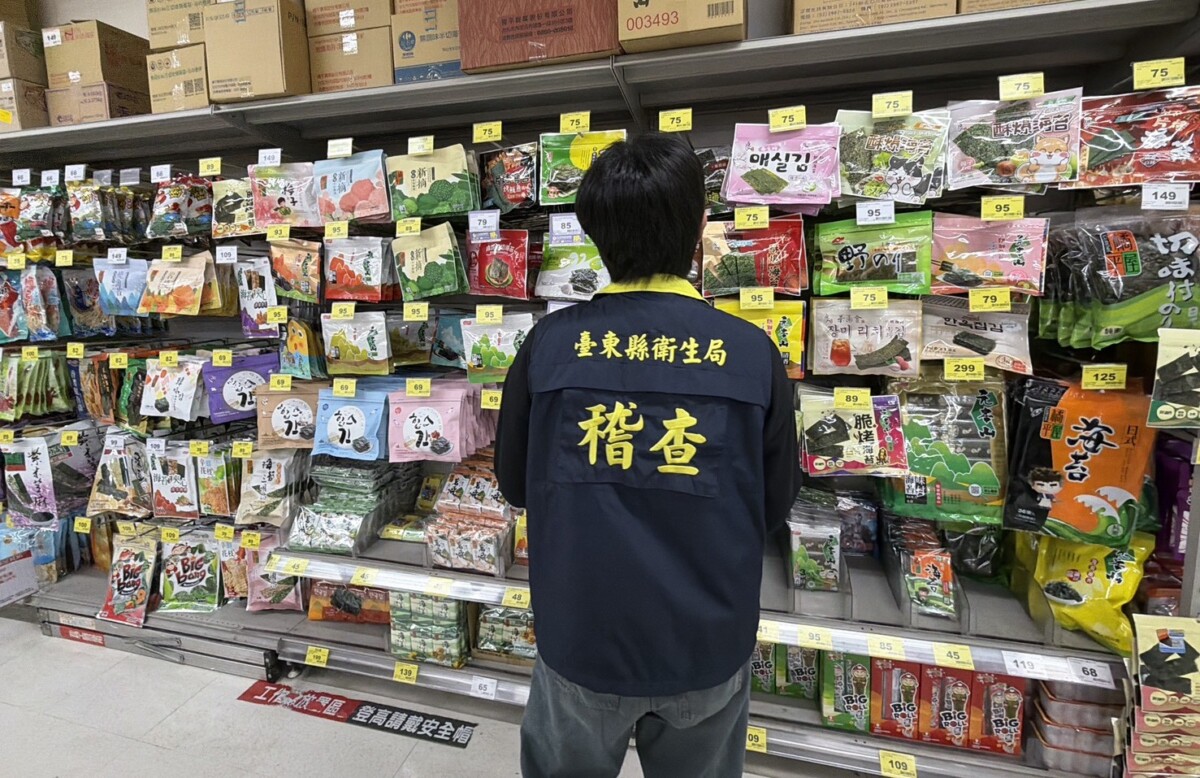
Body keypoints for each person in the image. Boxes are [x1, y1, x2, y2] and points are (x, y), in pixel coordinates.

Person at [495, 134, 800, 778]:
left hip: (582, 638)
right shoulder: (751, 353)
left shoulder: (548, 346)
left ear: (594, 234)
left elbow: (514, 484)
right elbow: (774, 505)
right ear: (701, 225)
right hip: (706, 644)